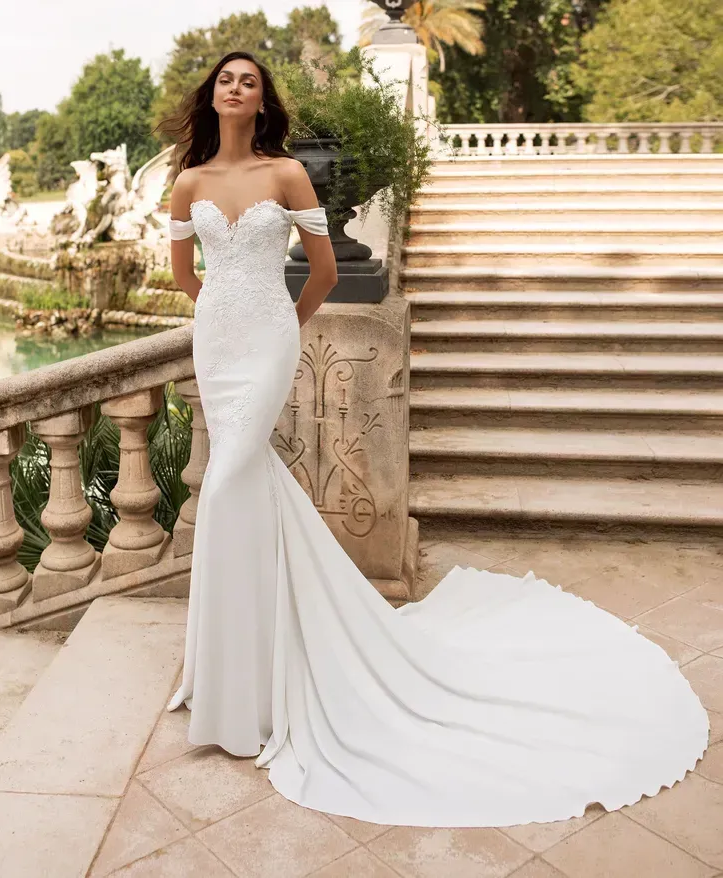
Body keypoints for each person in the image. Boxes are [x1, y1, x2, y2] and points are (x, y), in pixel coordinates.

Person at [161, 50, 709, 829]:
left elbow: (319, 269)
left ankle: (240, 685)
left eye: (248, 79)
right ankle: (229, 675)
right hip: (217, 339)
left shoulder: (287, 174)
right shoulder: (189, 183)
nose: (236, 87)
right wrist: (222, 309)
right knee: (241, 488)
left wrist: (282, 323)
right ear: (212, 96)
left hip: (271, 340)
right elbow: (185, 272)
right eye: (226, 79)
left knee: (226, 485)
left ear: (262, 98)